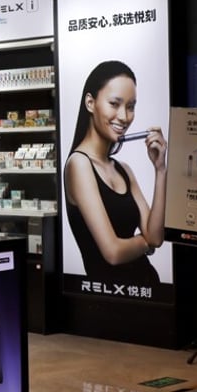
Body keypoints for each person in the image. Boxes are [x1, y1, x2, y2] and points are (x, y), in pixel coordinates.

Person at [63, 60, 167, 287]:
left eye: (131, 106)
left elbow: (157, 236)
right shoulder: (78, 165)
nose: (124, 116)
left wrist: (160, 169)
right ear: (90, 102)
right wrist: (144, 243)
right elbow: (113, 253)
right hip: (109, 299)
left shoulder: (123, 169)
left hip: (147, 290)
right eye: (114, 104)